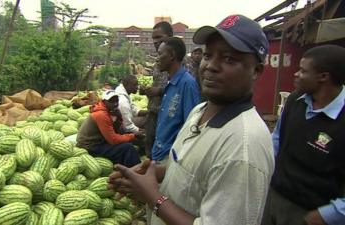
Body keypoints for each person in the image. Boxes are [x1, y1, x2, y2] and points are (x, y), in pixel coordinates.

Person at [109, 14, 275, 225]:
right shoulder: (199, 111)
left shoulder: (243, 146)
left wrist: (152, 197)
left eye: (229, 59)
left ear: (256, 71)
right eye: (208, 55)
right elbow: (191, 169)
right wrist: (152, 173)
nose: (210, 66)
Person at [262, 45, 345, 225]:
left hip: (312, 213)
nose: (296, 74)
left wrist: (326, 216)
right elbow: (276, 141)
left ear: (324, 77)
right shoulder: (295, 100)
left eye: (302, 71)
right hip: (274, 197)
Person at [150, 37, 200, 162]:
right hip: (159, 153)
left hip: (171, 157)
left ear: (172, 55)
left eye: (160, 54)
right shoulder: (170, 83)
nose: (157, 58)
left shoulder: (187, 84)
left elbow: (192, 126)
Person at [77, 90, 143, 167]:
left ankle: (125, 168)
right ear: (104, 101)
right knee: (128, 147)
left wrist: (119, 117)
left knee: (124, 142)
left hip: (99, 141)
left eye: (117, 101)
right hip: (90, 146)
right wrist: (133, 136)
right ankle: (137, 171)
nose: (115, 104)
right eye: (111, 101)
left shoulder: (108, 111)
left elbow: (115, 131)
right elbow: (113, 140)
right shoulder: (101, 114)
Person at [141, 21, 173, 157]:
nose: (155, 41)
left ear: (170, 37)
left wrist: (159, 91)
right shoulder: (157, 63)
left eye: (159, 37)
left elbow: (181, 88)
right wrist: (148, 91)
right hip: (153, 112)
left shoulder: (180, 61)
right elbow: (157, 85)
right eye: (154, 38)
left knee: (164, 153)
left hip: (168, 116)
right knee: (149, 146)